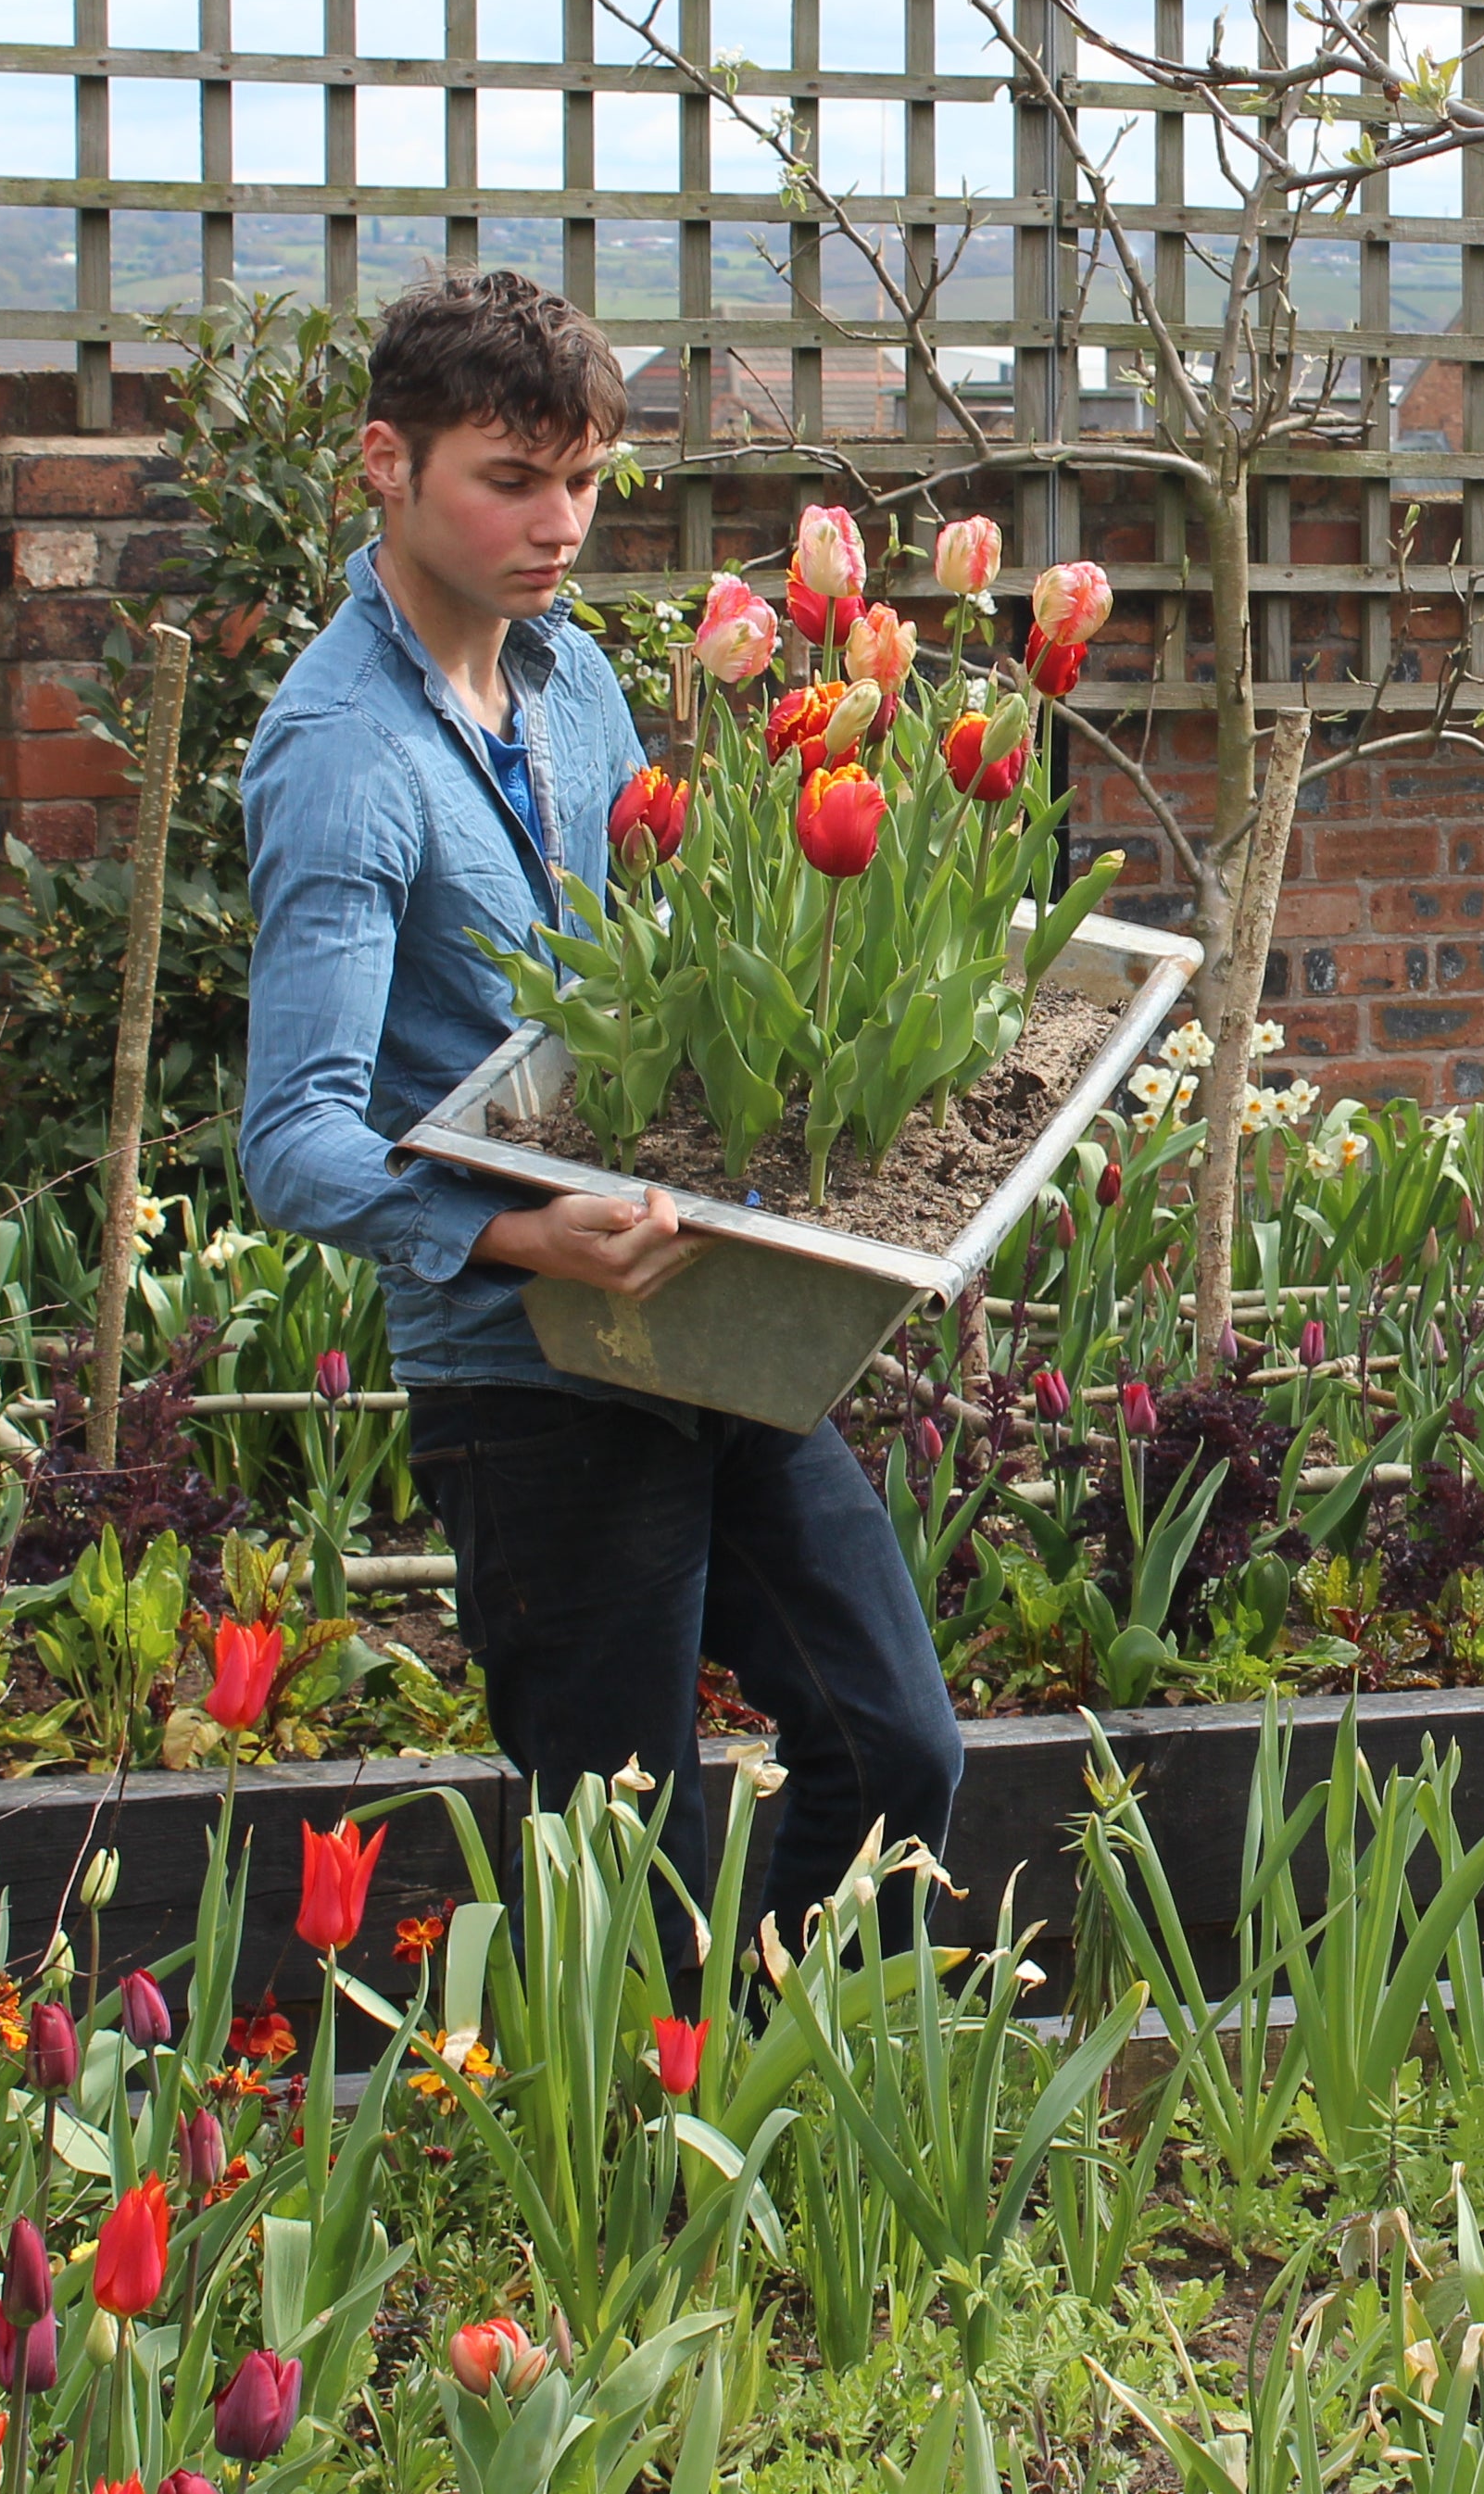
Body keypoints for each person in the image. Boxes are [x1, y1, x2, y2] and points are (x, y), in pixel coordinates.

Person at [235, 270, 959, 1956]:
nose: (560, 524)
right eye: (511, 481)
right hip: (525, 1374)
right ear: (388, 464)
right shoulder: (341, 754)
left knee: (894, 1749)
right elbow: (294, 1140)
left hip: (711, 1320)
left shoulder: (572, 688)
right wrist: (521, 1231)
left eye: (581, 479)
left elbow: (648, 998)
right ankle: (654, 2119)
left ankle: (779, 2079)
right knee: (631, 1865)